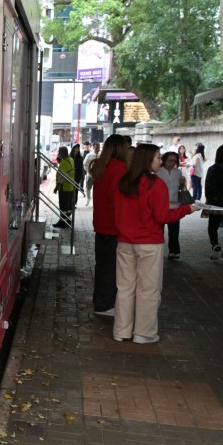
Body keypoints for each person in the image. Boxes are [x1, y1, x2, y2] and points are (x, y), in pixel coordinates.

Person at [113, 144, 196, 343]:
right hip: (150, 243)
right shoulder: (155, 184)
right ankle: (143, 333)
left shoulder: (123, 182)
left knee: (124, 288)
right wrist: (188, 209)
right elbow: (162, 216)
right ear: (147, 160)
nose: (161, 161)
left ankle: (121, 331)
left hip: (125, 242)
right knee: (148, 289)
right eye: (158, 157)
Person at [90, 135, 131, 316]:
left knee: (103, 266)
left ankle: (101, 301)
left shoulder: (100, 166)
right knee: (112, 268)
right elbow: (119, 202)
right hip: (114, 227)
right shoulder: (119, 168)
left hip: (101, 224)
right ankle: (106, 305)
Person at [155, 151, 188, 260]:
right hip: (160, 204)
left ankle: (173, 251)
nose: (172, 163)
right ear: (164, 160)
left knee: (174, 229)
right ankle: (157, 249)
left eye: (174, 161)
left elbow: (181, 188)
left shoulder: (178, 172)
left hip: (174, 203)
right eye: (170, 160)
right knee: (159, 228)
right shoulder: (158, 172)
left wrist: (183, 184)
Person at [53, 146, 75, 228]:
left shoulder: (64, 163)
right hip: (70, 187)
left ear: (62, 153)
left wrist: (56, 187)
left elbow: (61, 178)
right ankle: (68, 220)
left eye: (59, 152)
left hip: (64, 188)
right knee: (68, 207)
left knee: (63, 206)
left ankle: (62, 223)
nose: (59, 154)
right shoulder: (71, 160)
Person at [70, 143, 85, 207]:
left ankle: (74, 203)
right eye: (76, 148)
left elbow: (81, 168)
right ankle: (70, 202)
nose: (77, 150)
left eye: (78, 149)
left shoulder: (80, 158)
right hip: (70, 177)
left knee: (75, 190)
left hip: (77, 177)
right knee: (70, 191)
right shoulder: (70, 157)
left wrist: (81, 177)